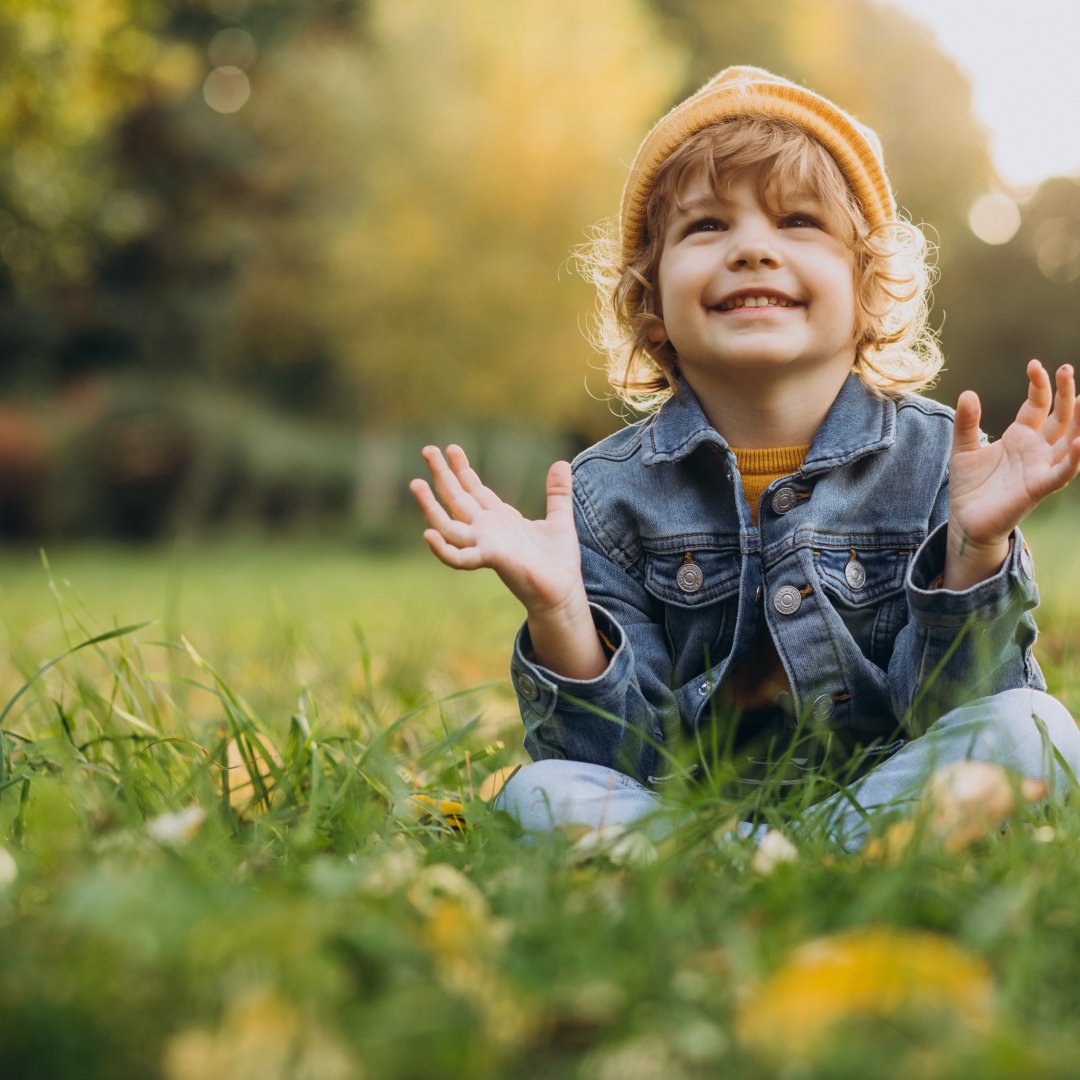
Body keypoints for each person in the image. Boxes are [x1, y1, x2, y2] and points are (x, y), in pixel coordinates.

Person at [409, 66, 1080, 847]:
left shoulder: (939, 463)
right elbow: (617, 759)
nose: (753, 249)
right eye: (706, 227)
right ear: (650, 298)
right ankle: (762, 859)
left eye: (797, 221)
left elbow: (956, 714)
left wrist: (975, 551)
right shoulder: (603, 498)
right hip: (692, 821)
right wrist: (561, 614)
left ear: (866, 285)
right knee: (541, 794)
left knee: (1037, 731)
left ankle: (788, 858)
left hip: (891, 794)